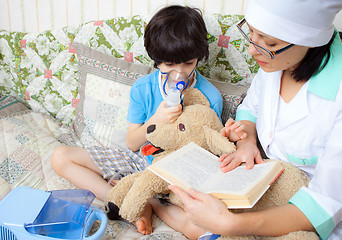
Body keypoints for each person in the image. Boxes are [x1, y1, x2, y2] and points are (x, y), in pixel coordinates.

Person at [148, 0, 342, 240]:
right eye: (251, 33)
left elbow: (324, 206)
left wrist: (230, 224)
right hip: (263, 186)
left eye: (269, 43)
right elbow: (250, 108)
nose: (252, 50)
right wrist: (247, 141)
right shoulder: (276, 61)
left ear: (309, 42)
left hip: (305, 213)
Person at [51, 5, 243, 235]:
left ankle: (150, 204)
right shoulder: (143, 88)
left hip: (176, 176)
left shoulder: (210, 96)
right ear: (156, 59)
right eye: (169, 64)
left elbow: (207, 148)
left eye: (188, 63)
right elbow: (132, 144)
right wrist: (155, 120)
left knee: (199, 231)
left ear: (198, 59)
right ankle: (123, 198)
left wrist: (228, 138)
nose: (179, 72)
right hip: (138, 161)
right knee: (60, 157)